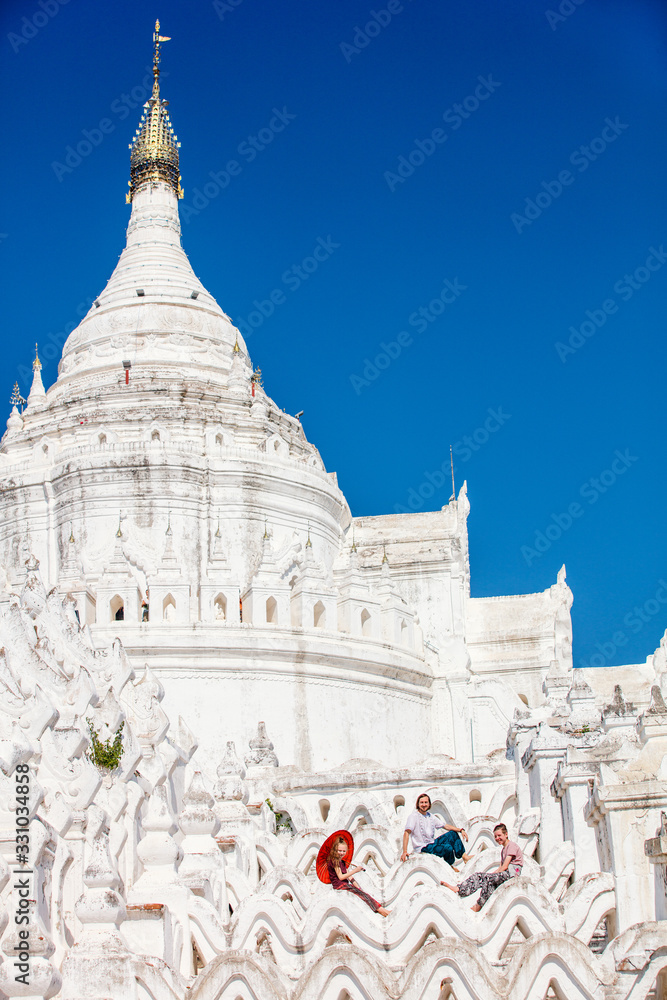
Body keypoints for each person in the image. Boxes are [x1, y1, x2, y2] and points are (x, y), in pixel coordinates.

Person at [441, 822, 523, 911]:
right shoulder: (503, 850)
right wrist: (491, 875)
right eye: (495, 836)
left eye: (499, 835)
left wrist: (490, 875)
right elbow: (500, 867)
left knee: (483, 877)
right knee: (484, 879)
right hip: (505, 874)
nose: (497, 838)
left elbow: (504, 867)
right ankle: (468, 896)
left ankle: (471, 900)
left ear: (506, 834)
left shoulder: (511, 846)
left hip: (511, 875)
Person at [401, 793, 473, 870]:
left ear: (429, 804)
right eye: (421, 802)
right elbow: (407, 833)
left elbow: (445, 826)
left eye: (426, 802)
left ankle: (464, 856)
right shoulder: (413, 816)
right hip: (422, 848)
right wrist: (404, 851)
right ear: (418, 804)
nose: (424, 804)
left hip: (432, 844)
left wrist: (460, 830)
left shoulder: (430, 816)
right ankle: (449, 866)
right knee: (447, 847)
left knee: (452, 834)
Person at [327, 835, 391, 916]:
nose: (341, 853)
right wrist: (355, 870)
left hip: (346, 885)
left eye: (343, 851)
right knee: (364, 896)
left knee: (364, 895)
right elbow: (341, 877)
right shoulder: (334, 861)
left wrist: (358, 888)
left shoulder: (342, 862)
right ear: (335, 850)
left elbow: (350, 877)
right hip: (340, 886)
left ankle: (382, 909)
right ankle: (382, 911)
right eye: (339, 850)